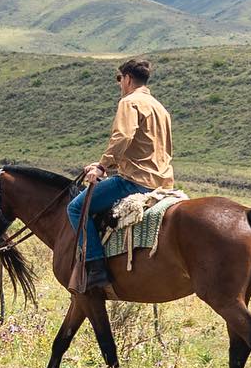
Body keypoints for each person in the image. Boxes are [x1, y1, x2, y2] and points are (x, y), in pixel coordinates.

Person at [70, 57, 174, 292]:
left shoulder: (129, 102)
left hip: (134, 181)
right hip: (163, 181)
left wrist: (102, 166)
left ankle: (95, 267)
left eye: (119, 79)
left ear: (127, 78)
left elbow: (123, 137)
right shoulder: (160, 108)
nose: (120, 84)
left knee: (76, 208)